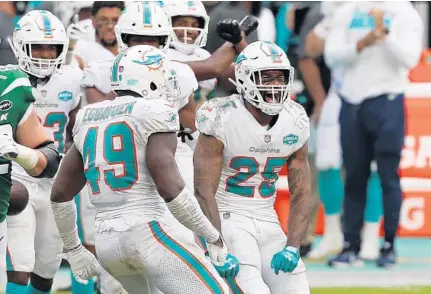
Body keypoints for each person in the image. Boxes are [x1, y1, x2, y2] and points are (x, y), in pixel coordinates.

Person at [51, 45, 238, 294]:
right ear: (149, 80)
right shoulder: (154, 112)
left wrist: (73, 249)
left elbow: (60, 193)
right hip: (145, 232)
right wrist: (211, 235)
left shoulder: (90, 116)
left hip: (106, 242)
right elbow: (170, 189)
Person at [194, 41, 311, 294]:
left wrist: (293, 246)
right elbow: (203, 191)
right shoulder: (221, 116)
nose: (275, 85)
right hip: (228, 218)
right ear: (245, 79)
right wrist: (216, 244)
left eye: (280, 78)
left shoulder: (295, 118)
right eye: (265, 77)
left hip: (268, 218)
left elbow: (302, 192)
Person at [324, 1, 423, 268]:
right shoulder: (348, 10)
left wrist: (384, 34)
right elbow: (331, 56)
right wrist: (363, 42)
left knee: (388, 175)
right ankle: (350, 245)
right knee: (355, 175)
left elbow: (410, 59)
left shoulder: (404, 11)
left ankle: (389, 245)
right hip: (351, 100)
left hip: (387, 99)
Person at [5, 10, 82, 294]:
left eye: (52, 48)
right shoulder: (8, 80)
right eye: (37, 46)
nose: (45, 54)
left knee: (47, 267)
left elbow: (78, 128)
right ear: (20, 46)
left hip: (55, 181)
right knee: (20, 264)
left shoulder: (73, 79)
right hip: (17, 178)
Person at [303, 2, 383, 261]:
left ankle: (370, 236)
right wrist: (331, 23)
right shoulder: (340, 11)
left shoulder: (390, 8)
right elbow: (311, 48)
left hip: (376, 94)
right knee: (327, 164)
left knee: (371, 168)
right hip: (339, 95)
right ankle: (333, 233)